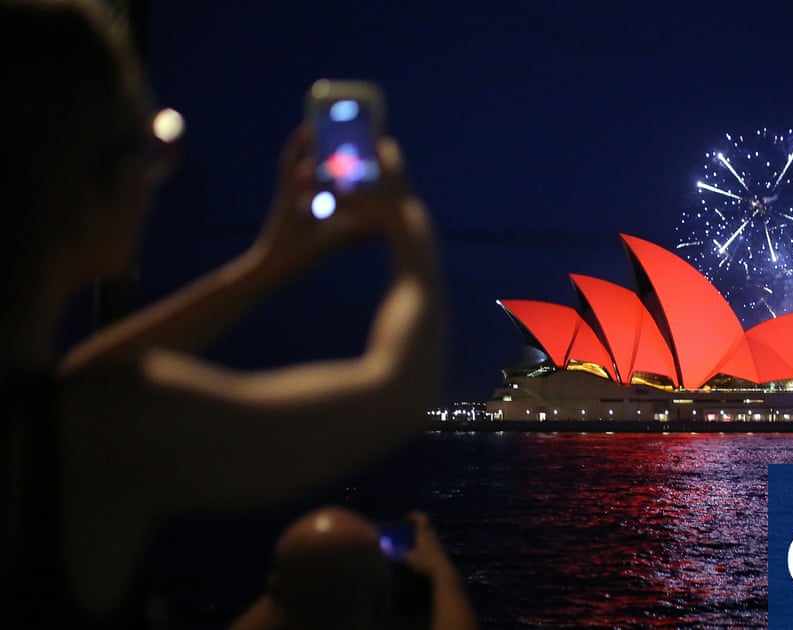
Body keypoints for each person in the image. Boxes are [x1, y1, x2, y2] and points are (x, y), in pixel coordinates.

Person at [1, 0, 444, 626]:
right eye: (147, 144)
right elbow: (399, 391)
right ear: (80, 191)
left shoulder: (56, 412)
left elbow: (83, 376)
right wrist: (408, 225)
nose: (157, 175)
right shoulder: (95, 438)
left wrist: (265, 266)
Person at [230, 508, 478, 630]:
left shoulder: (281, 596)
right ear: (381, 602)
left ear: (277, 594)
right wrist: (441, 572)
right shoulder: (381, 604)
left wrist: (306, 568)